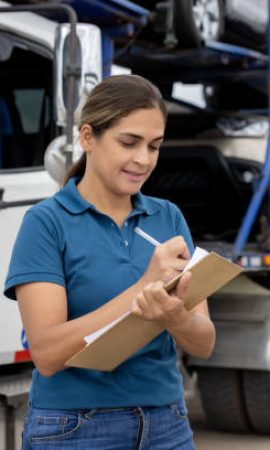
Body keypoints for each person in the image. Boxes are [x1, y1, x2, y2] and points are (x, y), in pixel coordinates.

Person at [4, 74, 216, 449]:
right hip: (73, 429)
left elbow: (204, 343)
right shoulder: (46, 223)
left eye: (154, 146)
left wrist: (174, 316)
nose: (143, 159)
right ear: (88, 137)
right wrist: (140, 290)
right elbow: (48, 354)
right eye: (129, 142)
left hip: (167, 423)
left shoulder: (168, 219)